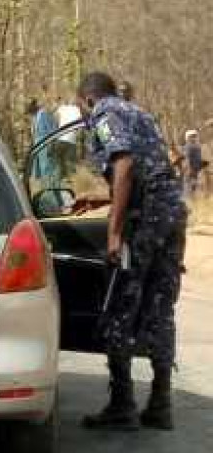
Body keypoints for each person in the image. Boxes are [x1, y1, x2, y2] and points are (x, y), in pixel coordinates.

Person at [76, 73, 187, 432]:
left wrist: (113, 231)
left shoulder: (104, 113)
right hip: (171, 214)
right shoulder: (139, 113)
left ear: (88, 99)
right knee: (161, 307)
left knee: (120, 302)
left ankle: (122, 404)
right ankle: (161, 404)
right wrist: (102, 199)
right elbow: (149, 169)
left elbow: (124, 165)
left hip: (145, 218)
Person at [27, 99, 60, 188]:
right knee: (41, 172)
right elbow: (34, 134)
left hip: (46, 147)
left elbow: (52, 131)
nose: (30, 114)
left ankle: (52, 190)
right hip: (38, 149)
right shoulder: (35, 118)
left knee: (48, 170)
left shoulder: (44, 115)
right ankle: (45, 189)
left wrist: (51, 146)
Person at [182, 130, 205, 197]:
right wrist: (190, 169)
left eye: (195, 136)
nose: (194, 138)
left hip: (196, 169)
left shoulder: (197, 146)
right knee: (189, 185)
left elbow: (198, 158)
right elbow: (188, 158)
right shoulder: (188, 146)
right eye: (192, 136)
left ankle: (193, 198)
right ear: (188, 138)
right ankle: (188, 198)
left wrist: (201, 163)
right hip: (190, 169)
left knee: (194, 185)